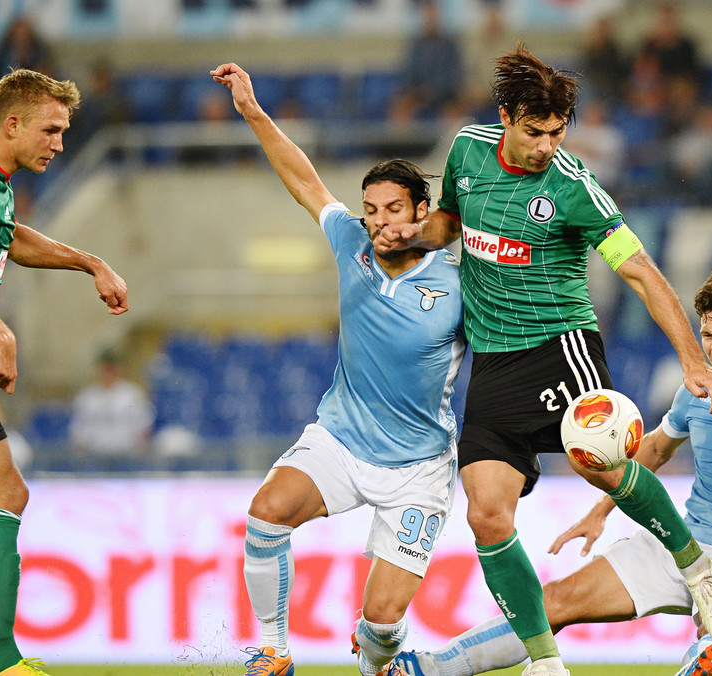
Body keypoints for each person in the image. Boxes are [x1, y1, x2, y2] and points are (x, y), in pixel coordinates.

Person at [373, 44, 712, 676]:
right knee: (487, 513)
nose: (547, 145)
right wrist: (413, 234)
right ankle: (545, 663)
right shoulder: (465, 151)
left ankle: (698, 570)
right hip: (492, 361)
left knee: (604, 467)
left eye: (557, 132)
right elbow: (452, 225)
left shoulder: (573, 188)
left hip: (560, 345)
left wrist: (693, 362)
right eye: (534, 131)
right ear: (506, 116)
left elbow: (643, 273)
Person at [384, 267, 712, 676]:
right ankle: (430, 667)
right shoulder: (697, 394)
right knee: (553, 601)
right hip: (680, 543)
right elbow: (653, 452)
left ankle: (709, 652)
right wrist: (601, 510)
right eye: (706, 334)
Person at [210, 63, 466, 676]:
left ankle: (379, 655)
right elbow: (302, 176)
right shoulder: (350, 242)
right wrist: (251, 110)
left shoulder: (462, 282)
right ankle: (273, 651)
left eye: (392, 209)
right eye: (370, 209)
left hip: (419, 469)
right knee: (267, 512)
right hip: (341, 440)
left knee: (380, 628)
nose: (378, 221)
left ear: (424, 212)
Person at [0, 68, 129, 676]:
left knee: (3, 492)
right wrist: (1, 331)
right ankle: (3, 664)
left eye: (65, 132)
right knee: (4, 492)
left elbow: (8, 238)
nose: (60, 143)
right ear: (12, 124)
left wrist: (89, 261)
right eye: (51, 130)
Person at [68, 347, 154, 465]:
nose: (108, 372)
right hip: (95, 457)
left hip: (126, 457)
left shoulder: (133, 394)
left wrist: (140, 457)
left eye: (112, 368)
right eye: (105, 368)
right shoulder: (86, 397)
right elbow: (79, 431)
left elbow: (143, 428)